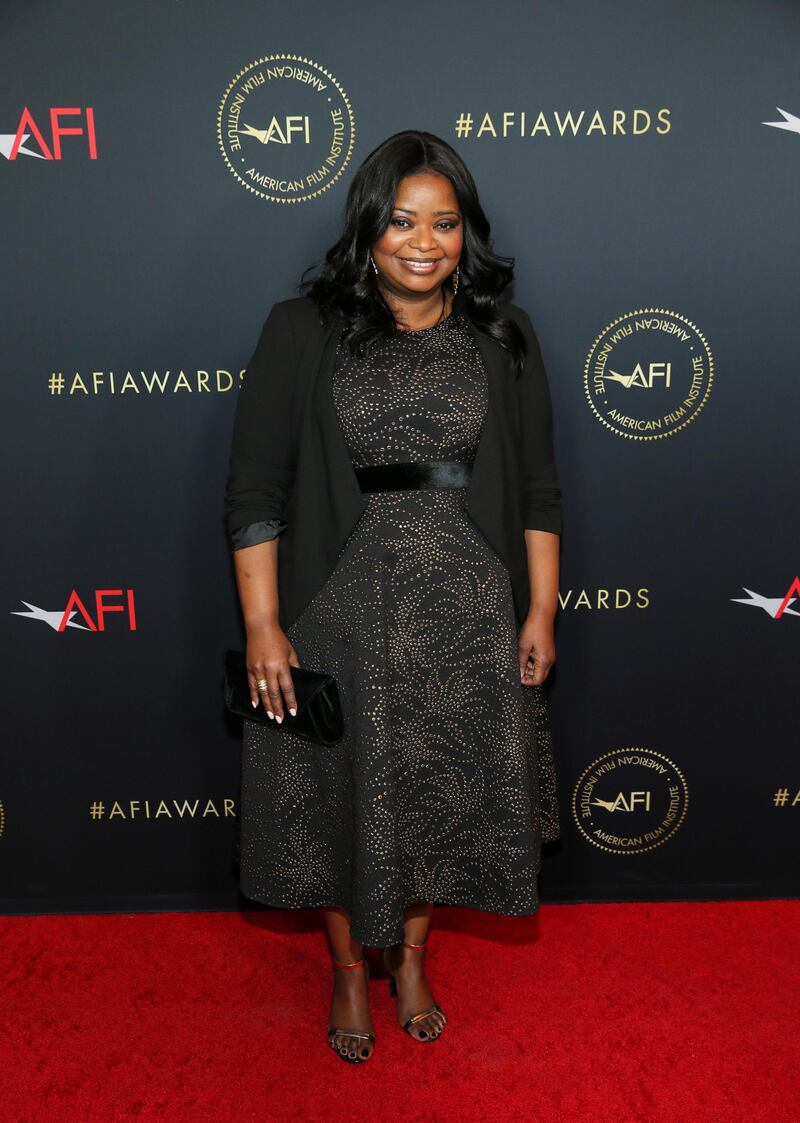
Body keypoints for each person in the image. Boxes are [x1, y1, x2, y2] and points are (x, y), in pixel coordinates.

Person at [224, 129, 563, 1065]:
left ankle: (410, 955)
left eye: (445, 222)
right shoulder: (302, 329)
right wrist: (262, 622)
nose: (424, 241)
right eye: (402, 221)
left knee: (436, 795)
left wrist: (539, 610)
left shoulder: (504, 331)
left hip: (467, 604)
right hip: (342, 604)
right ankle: (344, 968)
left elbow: (537, 486)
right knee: (341, 792)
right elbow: (256, 489)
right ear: (367, 229)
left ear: (468, 232)